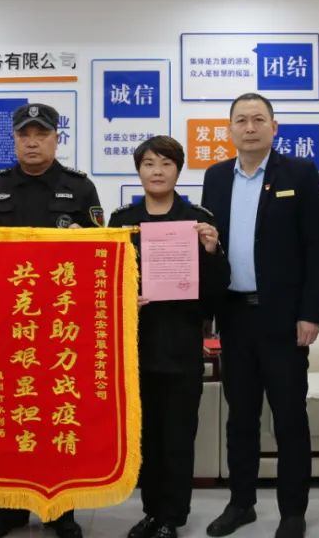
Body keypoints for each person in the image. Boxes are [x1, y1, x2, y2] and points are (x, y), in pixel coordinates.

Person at [200, 92, 319, 538]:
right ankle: (242, 504)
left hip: (284, 319)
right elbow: (212, 247)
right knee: (241, 418)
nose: (250, 127)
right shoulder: (217, 177)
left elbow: (317, 247)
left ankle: (293, 511)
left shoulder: (299, 174)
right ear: (230, 129)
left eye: (259, 119)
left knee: (290, 418)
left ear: (274, 128)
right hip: (235, 317)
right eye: (241, 120)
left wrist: (311, 313)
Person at [0, 102, 103, 538]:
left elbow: (101, 256)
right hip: (6, 328)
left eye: (41, 134)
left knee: (60, 416)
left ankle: (60, 509)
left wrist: (86, 242)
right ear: (14, 140)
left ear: (56, 139)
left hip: (61, 329)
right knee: (8, 417)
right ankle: (7, 508)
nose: (32, 142)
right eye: (24, 134)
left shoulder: (79, 188)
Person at [108, 136, 230, 538]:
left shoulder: (197, 220)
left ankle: (172, 518)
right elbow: (104, 284)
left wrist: (210, 252)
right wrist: (126, 298)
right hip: (135, 349)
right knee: (146, 440)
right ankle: (151, 512)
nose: (157, 172)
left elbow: (216, 293)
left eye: (165, 164)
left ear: (178, 170)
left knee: (177, 439)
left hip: (181, 347)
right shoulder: (121, 222)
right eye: (148, 164)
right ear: (138, 171)